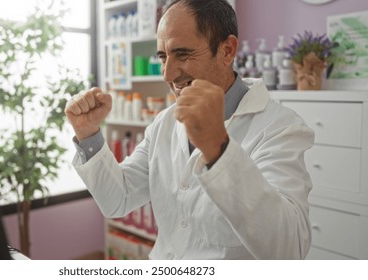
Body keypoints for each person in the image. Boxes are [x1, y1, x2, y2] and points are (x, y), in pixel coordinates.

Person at [65, 0, 314, 260]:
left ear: (227, 50)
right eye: (163, 56)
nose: (167, 73)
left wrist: (219, 148)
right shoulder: (164, 122)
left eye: (182, 54)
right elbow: (118, 199)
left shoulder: (280, 128)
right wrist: (88, 134)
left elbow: (289, 249)